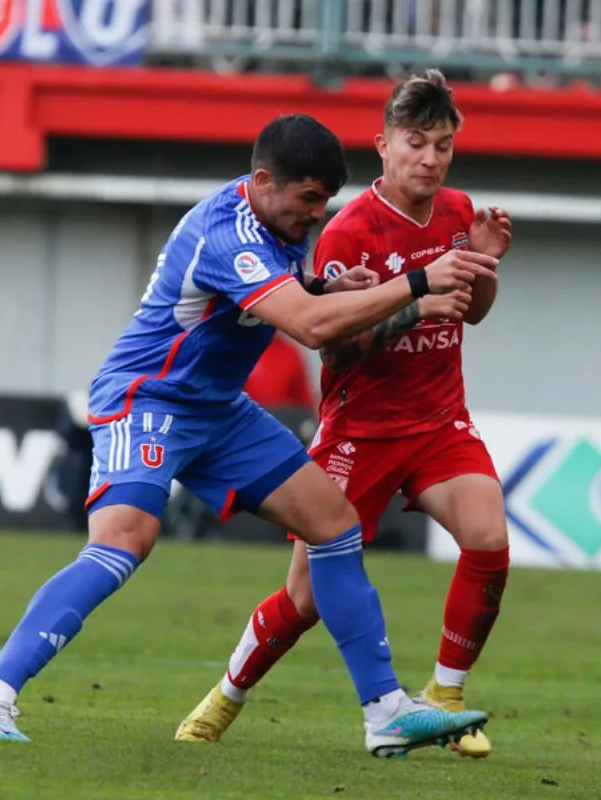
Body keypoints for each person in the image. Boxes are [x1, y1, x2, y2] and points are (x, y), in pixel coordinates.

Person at [0, 113, 499, 757]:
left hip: (215, 408)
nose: (316, 216)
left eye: (324, 201)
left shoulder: (275, 215)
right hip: (147, 396)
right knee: (126, 540)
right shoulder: (228, 230)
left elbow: (291, 300)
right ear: (263, 181)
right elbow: (312, 328)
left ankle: (385, 711)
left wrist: (323, 284)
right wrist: (420, 284)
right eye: (309, 200)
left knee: (334, 522)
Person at [174, 70, 513, 759]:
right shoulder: (348, 230)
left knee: (488, 538)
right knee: (302, 599)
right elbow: (336, 349)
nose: (430, 159)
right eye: (416, 143)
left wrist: (481, 264)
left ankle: (445, 699)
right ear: (383, 145)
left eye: (443, 146)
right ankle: (225, 697)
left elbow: (472, 313)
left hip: (439, 421)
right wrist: (411, 303)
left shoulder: (457, 211)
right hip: (361, 431)